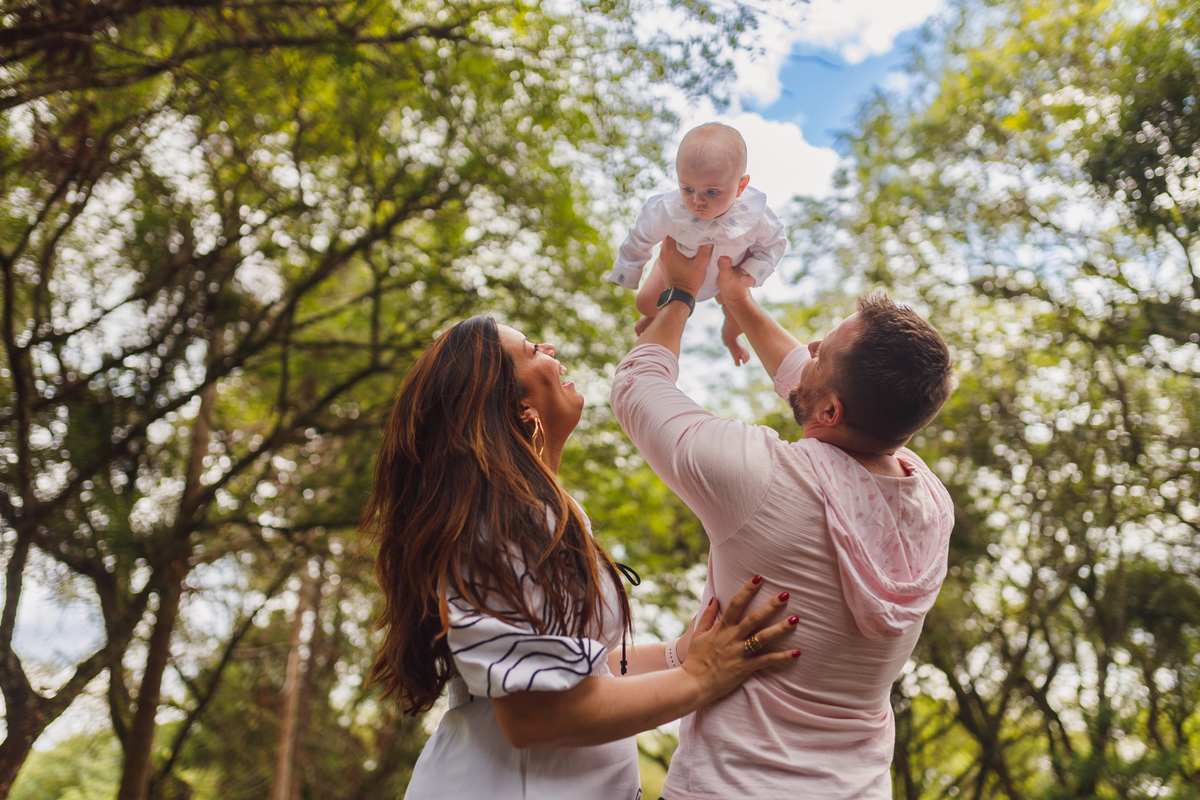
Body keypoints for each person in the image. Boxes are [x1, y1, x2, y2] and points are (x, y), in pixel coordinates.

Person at [361, 315, 801, 800]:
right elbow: (537, 712)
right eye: (531, 350)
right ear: (522, 406)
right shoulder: (502, 520)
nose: (549, 346)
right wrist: (701, 677)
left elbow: (575, 666)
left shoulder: (542, 512)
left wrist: (680, 654)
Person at [610, 239, 957, 799]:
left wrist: (678, 295)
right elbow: (818, 395)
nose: (810, 347)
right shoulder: (931, 507)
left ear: (831, 413)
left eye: (822, 352)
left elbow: (636, 388)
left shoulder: (761, 480)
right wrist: (739, 305)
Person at [608, 123, 787, 366]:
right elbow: (640, 236)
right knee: (645, 303)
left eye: (712, 192)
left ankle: (730, 336)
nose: (697, 201)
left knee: (738, 313)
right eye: (687, 188)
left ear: (740, 187)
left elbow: (775, 242)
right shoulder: (667, 209)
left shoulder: (755, 214)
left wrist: (753, 270)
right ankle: (655, 315)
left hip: (727, 278)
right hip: (675, 267)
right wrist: (629, 269)